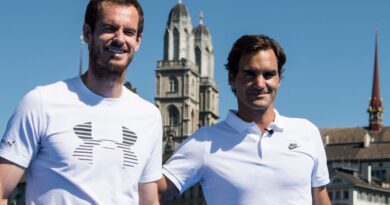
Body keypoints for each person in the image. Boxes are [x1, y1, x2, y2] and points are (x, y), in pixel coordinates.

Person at [0, 0, 162, 204]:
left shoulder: (149, 116)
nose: (119, 39)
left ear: (138, 41)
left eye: (129, 32)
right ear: (87, 33)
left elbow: (148, 201)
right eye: (109, 28)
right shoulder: (41, 102)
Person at [158, 34, 332, 205]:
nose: (260, 83)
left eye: (268, 74)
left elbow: (320, 199)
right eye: (250, 74)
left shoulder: (307, 132)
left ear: (279, 79)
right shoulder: (205, 141)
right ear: (232, 78)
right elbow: (149, 193)